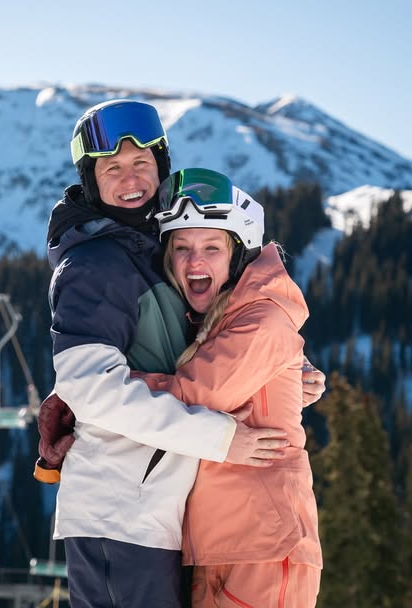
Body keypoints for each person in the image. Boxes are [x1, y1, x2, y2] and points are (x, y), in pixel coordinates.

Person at [45, 99, 324, 608]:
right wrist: (220, 437)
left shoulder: (152, 247)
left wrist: (282, 371)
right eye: (112, 169)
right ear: (90, 180)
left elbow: (213, 340)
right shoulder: (96, 264)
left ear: (161, 167)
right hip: (121, 511)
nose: (130, 180)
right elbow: (91, 385)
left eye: (140, 163)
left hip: (165, 514)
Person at [130, 167, 322, 607]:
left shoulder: (261, 319)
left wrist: (100, 389)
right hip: (227, 545)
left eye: (211, 248)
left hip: (264, 549)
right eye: (182, 248)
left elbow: (193, 397)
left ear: (237, 254)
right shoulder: (223, 319)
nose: (194, 262)